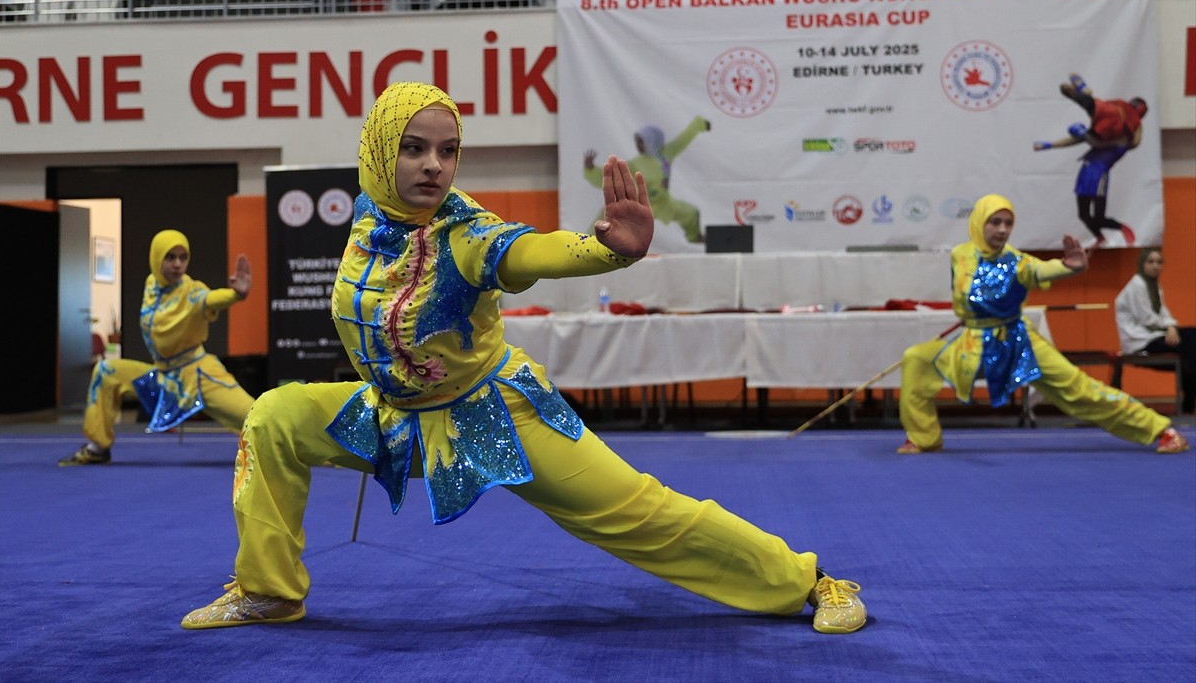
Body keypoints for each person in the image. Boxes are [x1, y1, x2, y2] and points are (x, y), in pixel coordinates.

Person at [180, 81, 867, 635]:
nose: (433, 165)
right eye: (414, 148)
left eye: (448, 150)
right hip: (395, 417)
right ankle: (269, 591)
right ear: (379, 151)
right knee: (274, 416)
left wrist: (603, 250)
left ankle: (809, 581)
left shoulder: (465, 233)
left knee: (641, 512)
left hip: (495, 416)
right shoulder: (372, 211)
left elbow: (527, 250)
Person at [895, 194, 1189, 455]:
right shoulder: (959, 254)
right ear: (978, 222)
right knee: (917, 359)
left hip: (1017, 343)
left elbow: (1039, 270)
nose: (1002, 230)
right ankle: (923, 437)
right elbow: (965, 292)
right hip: (973, 343)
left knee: (1081, 391)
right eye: (995, 222)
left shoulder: (1016, 261)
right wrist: (971, 312)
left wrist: (1067, 267)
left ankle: (1161, 430)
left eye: (1008, 223)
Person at [59, 230, 256, 465]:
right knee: (106, 372)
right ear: (156, 258)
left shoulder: (192, 292)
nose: (178, 264)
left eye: (183, 257)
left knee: (255, 418)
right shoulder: (152, 284)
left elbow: (210, 299)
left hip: (198, 374)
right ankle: (97, 448)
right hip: (162, 376)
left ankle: (292, 447)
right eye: (170, 257)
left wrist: (236, 295)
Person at [1033, 73, 1146, 247]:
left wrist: (1085, 134)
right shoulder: (1108, 132)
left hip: (1099, 174)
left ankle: (1121, 227)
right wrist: (1050, 145)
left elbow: (1102, 143)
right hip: (1086, 171)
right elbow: (1083, 140)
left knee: (1099, 217)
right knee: (1083, 215)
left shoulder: (1124, 141)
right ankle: (1099, 237)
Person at [583, 116, 711, 245]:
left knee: (691, 213)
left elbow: (683, 139)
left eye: (641, 142)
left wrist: (700, 124)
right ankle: (587, 243)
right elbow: (613, 176)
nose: (638, 145)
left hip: (663, 203)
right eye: (637, 142)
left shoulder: (666, 153)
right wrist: (591, 169)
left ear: (652, 140)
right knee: (609, 214)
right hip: (641, 205)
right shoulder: (636, 164)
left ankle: (695, 237)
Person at [1115, 247, 1195, 413]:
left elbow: (1164, 313)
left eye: (1159, 262)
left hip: (1153, 336)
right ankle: (1189, 404)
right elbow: (1147, 318)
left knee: (1191, 343)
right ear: (1142, 263)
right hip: (1139, 342)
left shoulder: (1154, 286)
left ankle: (1189, 404)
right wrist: (1169, 327)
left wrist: (1171, 326)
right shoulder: (1137, 284)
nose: (1155, 266)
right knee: (1190, 342)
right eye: (1150, 262)